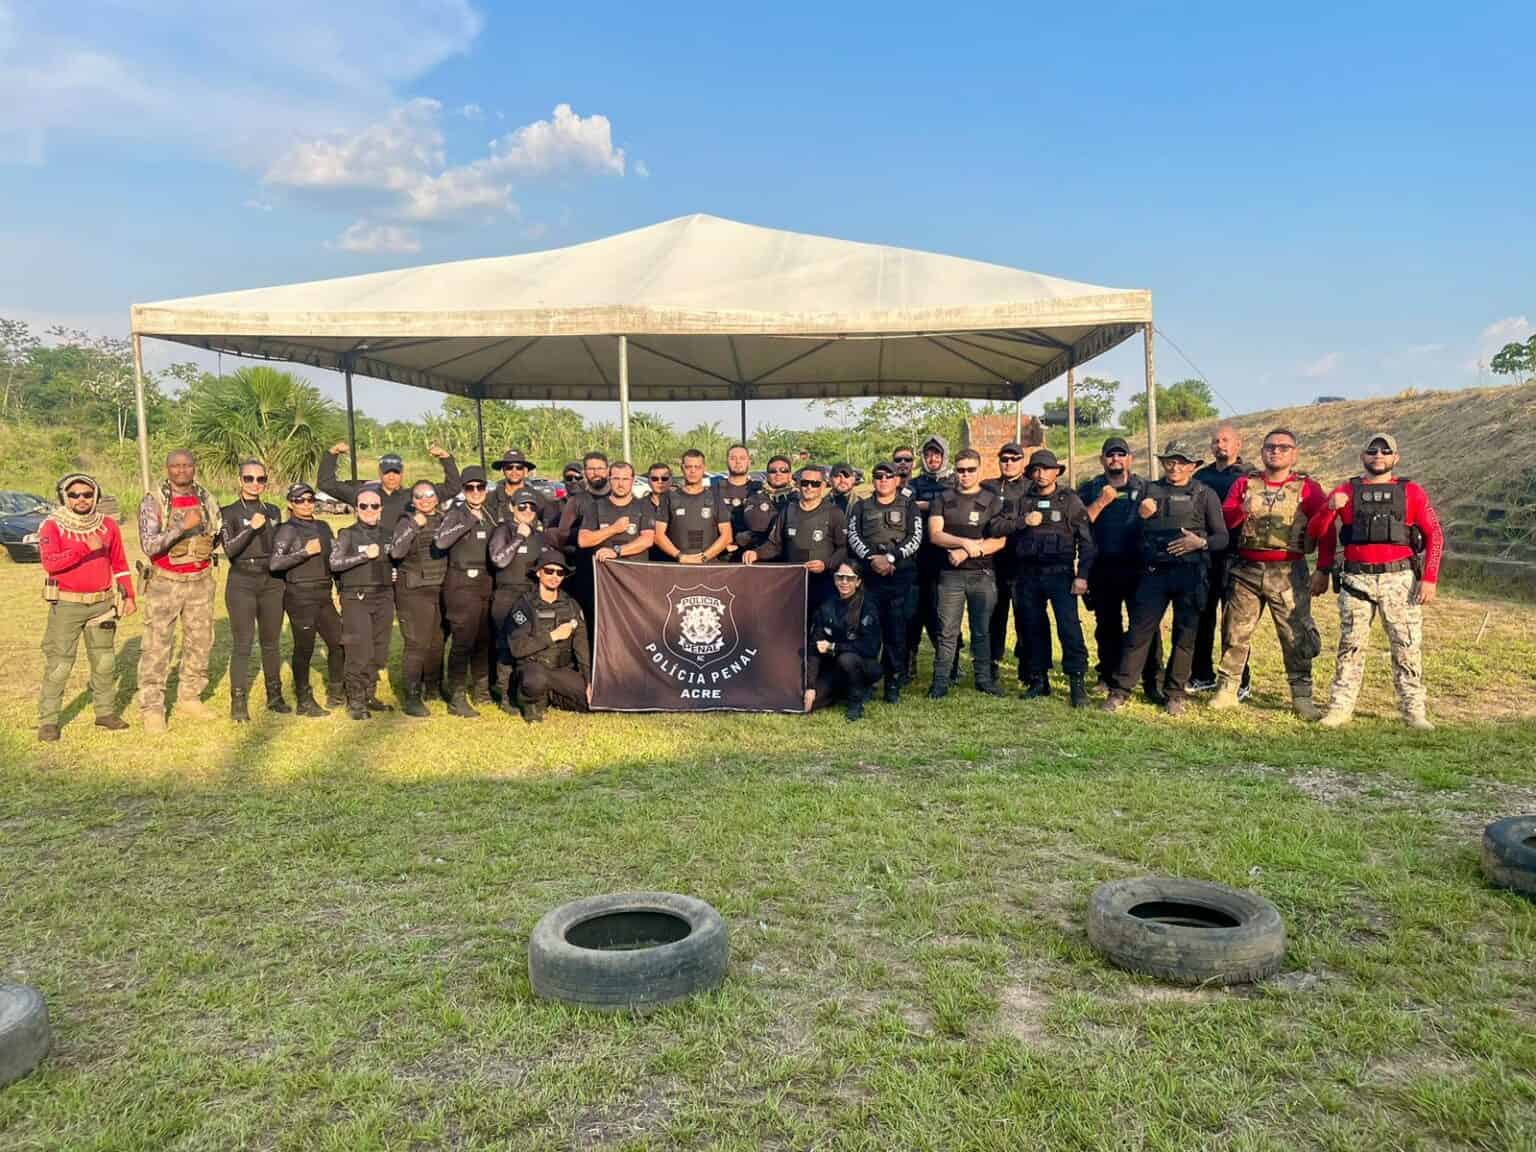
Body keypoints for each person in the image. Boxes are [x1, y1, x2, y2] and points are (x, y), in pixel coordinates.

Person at [1308, 432, 1443, 730]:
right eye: (1372, 451)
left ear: (1396, 458)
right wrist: (1331, 507)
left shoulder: (1413, 493)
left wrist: (1429, 578)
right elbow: (1319, 530)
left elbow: (1435, 534)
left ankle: (1414, 712)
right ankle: (1340, 708)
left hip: (1400, 580)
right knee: (1350, 646)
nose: (1378, 456)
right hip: (1357, 580)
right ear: (1363, 456)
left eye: (1385, 451)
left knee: (1406, 646)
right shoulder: (1345, 490)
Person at [1209, 428, 1330, 719]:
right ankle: (1227, 689)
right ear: (1262, 452)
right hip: (1246, 570)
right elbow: (1224, 521)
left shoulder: (1308, 489)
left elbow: (1325, 528)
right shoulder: (1243, 484)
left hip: (1289, 572)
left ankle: (1302, 697)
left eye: (1283, 447)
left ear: (1294, 453)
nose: (1275, 451)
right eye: (1270, 447)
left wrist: (1323, 570)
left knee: (1296, 634)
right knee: (1235, 632)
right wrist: (1242, 509)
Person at [1102, 441, 1227, 715]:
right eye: (1170, 461)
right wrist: (1141, 516)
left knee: (1185, 637)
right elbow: (1128, 531)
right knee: (1138, 634)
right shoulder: (1148, 490)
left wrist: (1200, 542)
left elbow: (1222, 538)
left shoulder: (1205, 494)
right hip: (1154, 574)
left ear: (1193, 466)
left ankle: (1174, 693)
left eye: (1182, 462)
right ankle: (1120, 691)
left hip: (1190, 574)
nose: (1175, 467)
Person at [36, 472, 135, 741]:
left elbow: (120, 564)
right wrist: (83, 548)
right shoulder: (52, 526)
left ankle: (104, 713)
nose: (81, 499)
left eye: (87, 494)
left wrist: (128, 595)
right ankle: (48, 721)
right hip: (67, 604)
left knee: (104, 662)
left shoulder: (108, 526)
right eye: (74, 494)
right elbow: (51, 563)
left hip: (101, 603)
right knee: (60, 664)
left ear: (96, 496)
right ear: (64, 497)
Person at [137, 449, 220, 732]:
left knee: (200, 641)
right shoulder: (155, 500)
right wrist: (182, 527)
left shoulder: (206, 497)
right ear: (167, 468)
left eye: (187, 465)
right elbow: (149, 545)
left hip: (200, 580)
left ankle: (190, 696)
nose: (181, 470)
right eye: (175, 466)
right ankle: (152, 707)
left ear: (194, 467)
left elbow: (216, 532)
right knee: (157, 646)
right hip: (165, 582)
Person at [1079, 437, 1164, 702]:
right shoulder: (1091, 488)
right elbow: (1079, 523)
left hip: (1139, 568)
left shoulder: (1147, 487)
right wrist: (1102, 502)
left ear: (1130, 459)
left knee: (1146, 626)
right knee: (1107, 626)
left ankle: (1152, 681)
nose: (1115, 459)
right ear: (1102, 459)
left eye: (1121, 454)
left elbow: (1163, 523)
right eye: (1110, 455)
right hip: (1102, 567)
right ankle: (1107, 675)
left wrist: (1152, 513)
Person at [1009, 449, 1095, 708]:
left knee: (1069, 628)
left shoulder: (1070, 501)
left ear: (1056, 471)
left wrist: (1082, 576)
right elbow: (1003, 528)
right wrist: (1023, 521)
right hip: (1028, 575)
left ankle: (1076, 683)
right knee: (1033, 628)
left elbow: (1088, 542)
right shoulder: (1023, 501)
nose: (1041, 474)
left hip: (1060, 574)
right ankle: (1039, 679)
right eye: (1036, 469)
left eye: (1046, 469)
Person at [926, 447, 1011, 698]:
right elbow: (935, 534)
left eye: (970, 470)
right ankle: (940, 682)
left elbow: (1000, 541)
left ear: (979, 469)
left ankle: (983, 680)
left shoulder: (992, 500)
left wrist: (967, 552)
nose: (965, 475)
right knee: (947, 632)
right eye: (960, 470)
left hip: (982, 574)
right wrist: (964, 543)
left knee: (982, 630)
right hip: (950, 576)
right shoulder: (942, 498)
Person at [846, 461, 923, 702]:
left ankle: (893, 683)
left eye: (889, 476)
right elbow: (854, 536)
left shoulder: (910, 506)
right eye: (878, 476)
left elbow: (915, 537)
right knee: (868, 632)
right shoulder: (861, 506)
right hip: (870, 578)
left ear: (897, 480)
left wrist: (890, 557)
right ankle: (867, 682)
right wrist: (872, 559)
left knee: (896, 634)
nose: (883, 480)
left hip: (900, 577)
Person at [219, 459, 286, 721]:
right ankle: (238, 702)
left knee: (271, 642)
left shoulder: (274, 510)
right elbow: (230, 549)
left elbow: (281, 546)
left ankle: (275, 695)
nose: (255, 484)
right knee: (243, 644)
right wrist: (251, 527)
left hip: (271, 580)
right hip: (242, 581)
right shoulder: (228, 512)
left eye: (260, 479)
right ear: (240, 481)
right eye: (249, 478)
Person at [269, 483, 344, 716]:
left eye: (310, 499)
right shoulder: (287, 530)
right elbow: (275, 563)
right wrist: (304, 552)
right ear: (291, 503)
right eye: (300, 500)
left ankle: (336, 691)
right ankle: (303, 699)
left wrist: (340, 588)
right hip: (299, 595)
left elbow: (334, 559)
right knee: (305, 648)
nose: (306, 504)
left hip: (323, 594)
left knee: (339, 642)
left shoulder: (322, 526)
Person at [434, 465, 498, 717]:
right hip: (461, 581)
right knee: (463, 640)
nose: (475, 492)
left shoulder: (491, 514)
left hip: (486, 580)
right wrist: (467, 521)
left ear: (485, 488)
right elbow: (441, 541)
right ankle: (457, 696)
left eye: (479, 487)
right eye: (469, 487)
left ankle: (481, 690)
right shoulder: (456, 513)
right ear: (463, 490)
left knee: (483, 639)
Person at [328, 483, 395, 720]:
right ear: (356, 509)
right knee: (359, 650)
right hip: (357, 597)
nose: (369, 509)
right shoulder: (347, 534)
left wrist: (393, 573)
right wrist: (363, 555)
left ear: (381, 509)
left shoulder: (388, 534)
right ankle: (355, 701)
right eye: (363, 506)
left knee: (378, 651)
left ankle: (369, 694)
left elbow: (395, 562)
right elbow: (334, 563)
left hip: (384, 597)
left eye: (374, 505)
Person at [743, 463, 848, 612]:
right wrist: (756, 553)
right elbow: (775, 544)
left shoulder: (834, 513)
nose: (809, 487)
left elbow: (843, 549)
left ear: (824, 486)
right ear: (798, 484)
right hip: (794, 584)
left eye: (815, 484)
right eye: (805, 483)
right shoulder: (788, 511)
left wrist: (826, 564)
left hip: (824, 583)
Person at [1190, 424, 1248, 694]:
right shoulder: (1201, 477)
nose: (1220, 445)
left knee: (1235, 622)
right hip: (1204, 554)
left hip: (1237, 556)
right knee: (1202, 616)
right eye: (1215, 441)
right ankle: (1201, 674)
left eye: (1226, 440)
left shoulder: (1249, 476)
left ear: (1239, 444)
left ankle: (1238, 680)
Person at [503, 547, 592, 722]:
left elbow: (582, 647)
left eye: (560, 573)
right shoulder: (524, 605)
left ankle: (550, 696)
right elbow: (517, 648)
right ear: (539, 573)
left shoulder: (571, 605)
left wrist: (588, 680)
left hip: (560, 670)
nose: (554, 576)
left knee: (591, 701)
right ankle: (530, 702)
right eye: (549, 571)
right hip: (533, 667)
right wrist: (553, 636)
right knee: (535, 680)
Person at [389, 480, 449, 717]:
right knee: (417, 644)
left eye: (429, 495)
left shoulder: (445, 520)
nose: (425, 500)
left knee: (437, 642)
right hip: (414, 590)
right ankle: (412, 697)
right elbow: (396, 551)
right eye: (419, 496)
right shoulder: (406, 521)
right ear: (412, 501)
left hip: (440, 587)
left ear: (437, 497)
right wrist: (414, 525)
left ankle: (433, 687)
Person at [489, 491, 547, 713]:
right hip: (506, 595)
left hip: (530, 596)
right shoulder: (503, 530)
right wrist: (518, 538)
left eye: (532, 508)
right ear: (512, 507)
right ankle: (504, 696)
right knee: (507, 646)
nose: (528, 512)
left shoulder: (538, 535)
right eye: (522, 507)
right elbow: (498, 560)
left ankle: (524, 694)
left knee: (528, 646)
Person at [805, 562, 883, 721]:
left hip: (864, 664)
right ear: (834, 580)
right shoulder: (826, 606)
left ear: (858, 582)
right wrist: (810, 686)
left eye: (850, 578)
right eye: (840, 577)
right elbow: (815, 647)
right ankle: (840, 690)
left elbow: (870, 648)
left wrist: (834, 647)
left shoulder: (867, 606)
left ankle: (856, 700)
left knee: (846, 659)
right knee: (809, 704)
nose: (844, 582)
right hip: (834, 668)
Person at [906, 435, 955, 682]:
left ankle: (949, 665)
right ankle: (910, 661)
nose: (933, 458)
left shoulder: (955, 481)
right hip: (916, 558)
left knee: (944, 614)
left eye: (937, 454)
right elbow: (906, 504)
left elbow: (957, 505)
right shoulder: (914, 483)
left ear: (944, 455)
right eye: (928, 454)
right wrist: (939, 504)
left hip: (947, 559)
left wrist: (926, 504)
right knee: (913, 612)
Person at [319, 442, 459, 525]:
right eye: (387, 472)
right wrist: (332, 454)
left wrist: (446, 458)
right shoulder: (365, 495)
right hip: (376, 557)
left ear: (402, 473)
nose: (391, 477)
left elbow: (453, 488)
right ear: (380, 473)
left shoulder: (414, 496)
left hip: (406, 560)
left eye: (396, 472)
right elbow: (326, 483)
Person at [983, 441, 1031, 686]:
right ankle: (992, 663)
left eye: (1014, 458)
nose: (1009, 463)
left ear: (1023, 461)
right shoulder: (988, 486)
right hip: (994, 562)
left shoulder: (1032, 487)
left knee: (1025, 615)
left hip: (1024, 562)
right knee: (995, 615)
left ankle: (1026, 665)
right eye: (1005, 459)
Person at [654, 449, 732, 563]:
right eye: (688, 467)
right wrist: (680, 556)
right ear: (682, 468)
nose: (693, 471)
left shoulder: (715, 498)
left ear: (704, 468)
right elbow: (658, 535)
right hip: (677, 566)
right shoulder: (668, 498)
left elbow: (727, 536)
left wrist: (703, 558)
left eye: (697, 467)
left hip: (709, 567)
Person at [579, 461, 656, 567]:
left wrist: (617, 551)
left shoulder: (644, 506)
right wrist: (613, 529)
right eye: (616, 479)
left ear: (632, 481)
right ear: (609, 479)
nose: (620, 484)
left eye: (625, 479)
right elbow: (583, 540)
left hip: (636, 574)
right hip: (606, 576)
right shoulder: (595, 507)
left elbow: (647, 540)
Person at [714, 444, 767, 560]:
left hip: (752, 555)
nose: (738, 462)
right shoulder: (714, 490)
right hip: (721, 555)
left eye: (742, 458)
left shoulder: (761, 490)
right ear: (726, 461)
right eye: (733, 458)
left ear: (749, 461)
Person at [487, 448, 557, 527]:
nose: (514, 471)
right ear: (503, 470)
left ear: (525, 471)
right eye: (509, 467)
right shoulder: (491, 498)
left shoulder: (537, 497)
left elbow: (551, 522)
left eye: (519, 467)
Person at [644, 462, 674, 560]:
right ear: (648, 481)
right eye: (654, 479)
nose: (660, 482)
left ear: (671, 480)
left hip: (675, 560)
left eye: (664, 478)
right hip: (649, 560)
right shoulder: (639, 505)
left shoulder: (682, 502)